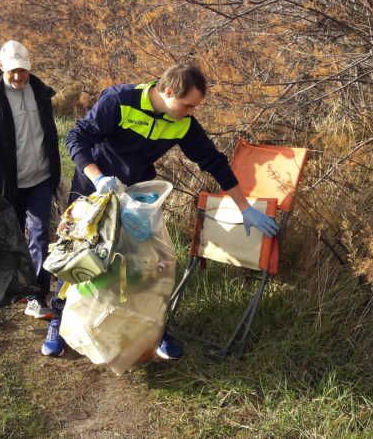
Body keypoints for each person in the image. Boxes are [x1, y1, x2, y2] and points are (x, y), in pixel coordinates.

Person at [40, 63, 279, 359]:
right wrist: (98, 178)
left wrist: (244, 207)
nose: (191, 112)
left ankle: (153, 330)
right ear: (167, 92)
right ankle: (59, 320)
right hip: (94, 188)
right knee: (80, 256)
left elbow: (213, 161)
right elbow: (76, 138)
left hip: (138, 199)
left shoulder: (182, 122)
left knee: (146, 263)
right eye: (187, 104)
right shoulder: (119, 101)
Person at [0, 40, 62, 320]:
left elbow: (49, 134)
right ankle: (14, 287)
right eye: (12, 71)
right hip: (8, 183)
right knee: (11, 238)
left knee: (39, 235)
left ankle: (37, 295)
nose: (17, 77)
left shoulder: (41, 93)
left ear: (29, 68)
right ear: (1, 67)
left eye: (22, 71)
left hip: (41, 178)